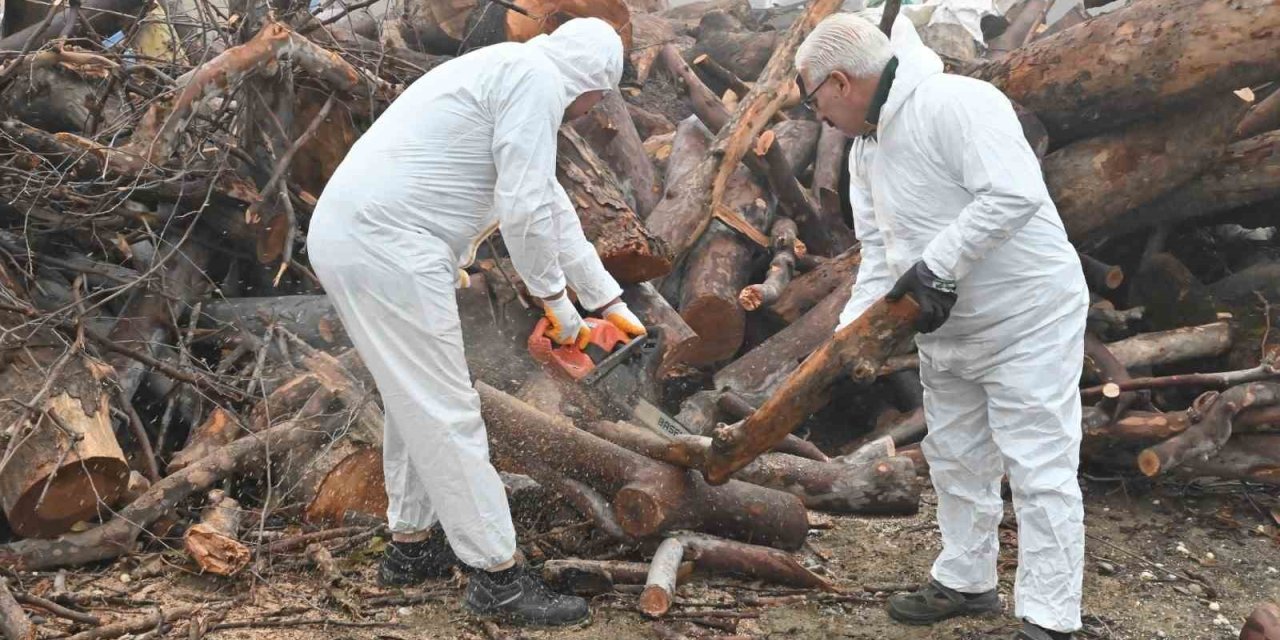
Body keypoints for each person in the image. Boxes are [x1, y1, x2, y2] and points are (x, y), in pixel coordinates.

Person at [306, 18, 647, 627]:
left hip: (364, 237)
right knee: (446, 408)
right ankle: (497, 577)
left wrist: (609, 303)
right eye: (600, 102)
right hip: (386, 244)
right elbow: (521, 211)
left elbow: (548, 204)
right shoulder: (534, 81)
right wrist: (557, 305)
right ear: (594, 88)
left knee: (415, 398)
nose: (594, 111)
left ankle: (412, 546)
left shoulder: (513, 70)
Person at [795, 13, 1089, 640]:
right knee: (955, 457)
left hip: (1026, 316)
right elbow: (878, 252)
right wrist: (849, 336)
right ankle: (966, 578)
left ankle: (1050, 617)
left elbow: (1012, 195)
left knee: (1038, 464)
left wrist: (936, 266)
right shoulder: (865, 151)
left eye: (815, 101)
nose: (817, 118)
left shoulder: (958, 102)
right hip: (948, 328)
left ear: (842, 82)